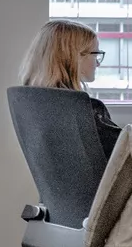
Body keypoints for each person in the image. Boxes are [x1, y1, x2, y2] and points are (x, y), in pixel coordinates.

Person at [20, 18, 122, 156]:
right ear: (75, 57)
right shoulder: (85, 110)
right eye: (96, 54)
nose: (98, 64)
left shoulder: (31, 102)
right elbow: (127, 153)